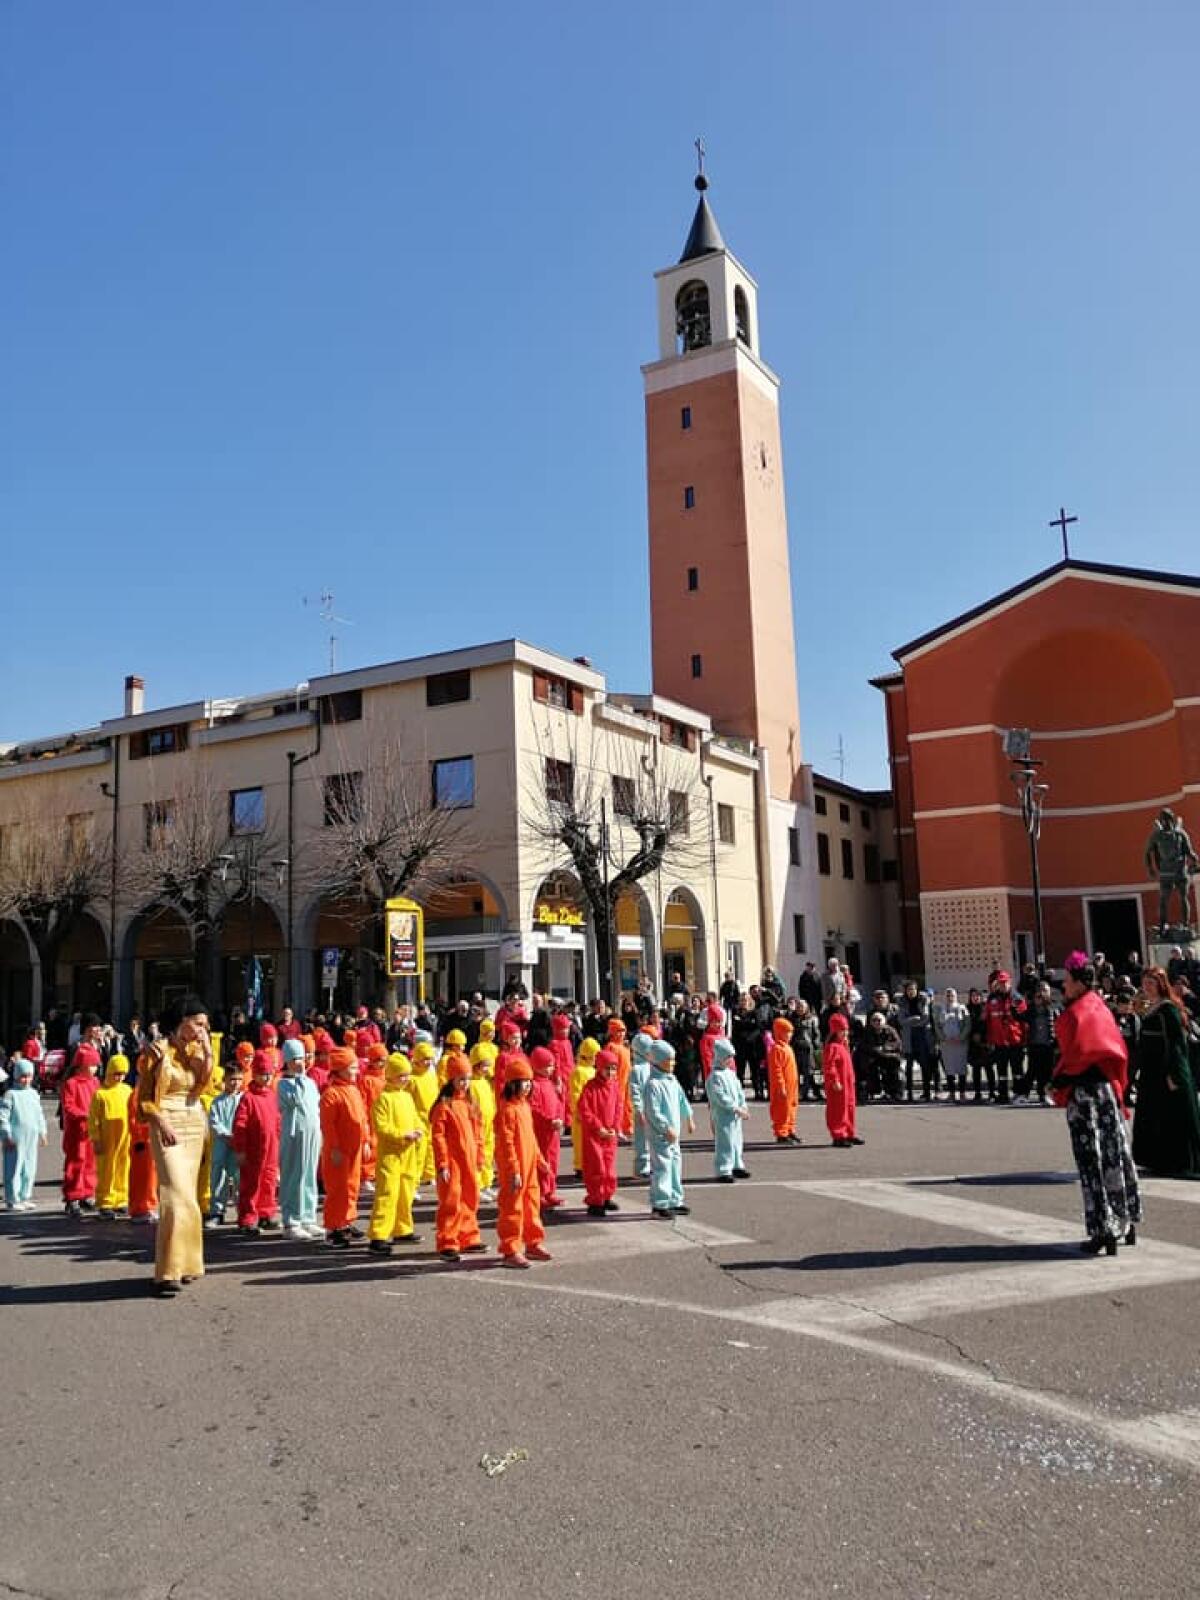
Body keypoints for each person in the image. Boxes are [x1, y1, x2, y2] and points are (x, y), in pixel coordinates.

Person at [1051, 953, 1141, 1255]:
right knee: (1115, 1154)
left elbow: (1081, 1053)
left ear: (1078, 983)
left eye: (1067, 980)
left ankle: (1104, 1230)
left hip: (1086, 1094)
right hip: (1106, 1093)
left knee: (1093, 1160)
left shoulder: (1081, 1010)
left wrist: (1060, 1080)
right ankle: (1126, 1220)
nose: (1063, 985)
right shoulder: (1098, 1006)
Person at [136, 996, 214, 1295]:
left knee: (189, 1196)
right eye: (198, 1023)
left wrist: (207, 1053)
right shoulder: (157, 1051)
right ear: (182, 1020)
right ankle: (168, 1271)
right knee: (174, 1193)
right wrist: (161, 1122)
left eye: (205, 1025)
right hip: (165, 1118)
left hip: (193, 1118)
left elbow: (201, 1086)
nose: (201, 1030)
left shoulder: (195, 1051)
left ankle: (189, 1263)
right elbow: (144, 1097)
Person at [1131, 967, 1200, 1178]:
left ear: (1161, 984)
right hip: (1152, 1072)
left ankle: (1180, 1163)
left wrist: (1174, 1074)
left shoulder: (1168, 1009)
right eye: (1145, 983)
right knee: (1155, 1115)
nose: (1147, 987)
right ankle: (1157, 1160)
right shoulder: (1151, 1007)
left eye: (1151, 983)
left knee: (1173, 1116)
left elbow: (1177, 1044)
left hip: (1167, 1070)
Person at [495, 1056, 552, 1268]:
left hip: (528, 1166)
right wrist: (514, 1170)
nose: (527, 1087)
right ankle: (511, 1249)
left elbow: (531, 1137)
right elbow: (506, 1144)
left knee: (531, 1203)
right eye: (523, 1082)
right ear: (512, 1084)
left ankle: (533, 1241)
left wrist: (539, 1159)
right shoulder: (507, 1110)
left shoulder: (524, 1107)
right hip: (515, 1168)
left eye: (529, 1082)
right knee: (513, 1207)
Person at [367, 1053, 425, 1254]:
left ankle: (402, 1228)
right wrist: (402, 1135)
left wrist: (418, 1131)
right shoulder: (383, 1099)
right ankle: (378, 1235)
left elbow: (416, 1118)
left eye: (407, 1075)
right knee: (387, 1193)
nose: (406, 1079)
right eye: (401, 1076)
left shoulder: (407, 1096)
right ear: (390, 1076)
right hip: (390, 1154)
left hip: (407, 1152)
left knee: (405, 1190)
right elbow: (381, 1127)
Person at [431, 1061, 483, 1262]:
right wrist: (442, 1162)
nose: (465, 1083)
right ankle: (448, 1240)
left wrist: (479, 1155)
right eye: (461, 1079)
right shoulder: (444, 1106)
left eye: (468, 1079)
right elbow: (438, 1137)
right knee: (451, 1200)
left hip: (468, 1159)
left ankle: (468, 1236)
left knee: (470, 1197)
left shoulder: (470, 1104)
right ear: (452, 1080)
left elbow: (478, 1133)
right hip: (452, 1161)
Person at [320, 1046, 369, 1249]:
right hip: (339, 1150)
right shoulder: (331, 1094)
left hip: (355, 1147)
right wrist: (335, 1149)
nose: (356, 1071)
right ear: (340, 1068)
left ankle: (346, 1220)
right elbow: (328, 1126)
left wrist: (366, 1141)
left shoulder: (353, 1090)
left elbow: (362, 1119)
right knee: (337, 1188)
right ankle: (333, 1228)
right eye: (352, 1067)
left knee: (352, 1186)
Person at [643, 1038, 695, 1218]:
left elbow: (682, 1099)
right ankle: (660, 1203)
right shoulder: (652, 1085)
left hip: (674, 1134)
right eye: (668, 1060)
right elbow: (653, 1112)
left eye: (673, 1060)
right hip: (661, 1135)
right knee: (662, 1167)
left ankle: (675, 1199)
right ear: (657, 1060)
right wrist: (665, 1128)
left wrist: (688, 1117)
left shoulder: (672, 1080)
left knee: (675, 1164)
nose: (672, 1063)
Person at [232, 1050, 282, 1235]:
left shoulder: (271, 1095)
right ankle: (247, 1218)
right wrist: (240, 1149)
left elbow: (277, 1121)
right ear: (255, 1074)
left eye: (269, 1074)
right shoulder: (248, 1098)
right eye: (262, 1074)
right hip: (253, 1149)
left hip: (271, 1148)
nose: (267, 1077)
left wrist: (278, 1142)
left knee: (268, 1182)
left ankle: (265, 1214)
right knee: (251, 1184)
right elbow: (240, 1125)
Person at [277, 1038, 323, 1239]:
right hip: (294, 1134)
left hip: (312, 1132)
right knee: (295, 1175)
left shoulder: (311, 1082)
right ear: (287, 1060)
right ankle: (291, 1220)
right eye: (294, 1059)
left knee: (309, 1174)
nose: (300, 1063)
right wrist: (298, 1078)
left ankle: (308, 1216)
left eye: (302, 1058)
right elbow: (295, 1100)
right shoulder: (284, 1084)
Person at [578, 1046, 624, 1216]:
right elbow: (584, 1110)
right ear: (598, 1067)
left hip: (609, 1135)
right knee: (596, 1168)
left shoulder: (615, 1086)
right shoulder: (590, 1087)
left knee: (609, 1169)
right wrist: (598, 1128)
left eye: (613, 1068)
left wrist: (615, 1127)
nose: (611, 1072)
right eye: (607, 1068)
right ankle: (595, 1200)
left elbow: (619, 1107)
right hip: (594, 1136)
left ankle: (606, 1196)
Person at [88, 1053, 133, 1217]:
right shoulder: (100, 1094)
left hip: (125, 1137)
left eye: (123, 1074)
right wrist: (95, 1138)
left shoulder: (127, 1090)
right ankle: (105, 1201)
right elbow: (93, 1119)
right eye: (116, 1073)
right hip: (107, 1139)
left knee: (123, 1167)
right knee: (107, 1170)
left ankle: (121, 1199)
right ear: (109, 1072)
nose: (120, 1077)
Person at [60, 1043, 101, 1216]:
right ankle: (73, 1196)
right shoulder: (71, 1083)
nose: (95, 1069)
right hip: (77, 1131)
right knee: (76, 1162)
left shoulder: (95, 1082)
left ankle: (87, 1193)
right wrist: (85, 1115)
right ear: (82, 1065)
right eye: (92, 1065)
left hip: (90, 1130)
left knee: (91, 1163)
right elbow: (68, 1107)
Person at [1, 1057, 47, 1210]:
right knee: (14, 1168)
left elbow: (39, 1114)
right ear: (16, 1076)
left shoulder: (33, 1094)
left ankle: (24, 1195)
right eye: (23, 1076)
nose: (26, 1080)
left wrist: (43, 1132)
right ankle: (12, 1198)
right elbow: (3, 1116)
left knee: (29, 1167)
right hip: (15, 1138)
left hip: (31, 1137)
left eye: (29, 1076)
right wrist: (6, 1135)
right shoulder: (10, 1094)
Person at [205, 1053, 245, 1228]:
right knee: (218, 1177)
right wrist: (225, 1134)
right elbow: (214, 1121)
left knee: (239, 1178)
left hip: (238, 1144)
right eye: (231, 1079)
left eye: (238, 1079)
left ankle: (242, 1210)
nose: (235, 1083)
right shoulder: (218, 1101)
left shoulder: (244, 1099)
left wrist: (238, 1136)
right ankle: (217, 1211)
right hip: (222, 1144)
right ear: (225, 1080)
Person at [706, 1036, 750, 1182]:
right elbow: (720, 1097)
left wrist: (742, 1105)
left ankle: (737, 1164)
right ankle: (723, 1169)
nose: (729, 1060)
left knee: (737, 1140)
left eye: (731, 1058)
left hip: (735, 1115)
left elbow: (739, 1092)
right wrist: (734, 1107)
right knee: (725, 1141)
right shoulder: (714, 1077)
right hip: (723, 1115)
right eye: (727, 1057)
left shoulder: (731, 1074)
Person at [528, 1045, 566, 1211]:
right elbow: (534, 1109)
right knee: (542, 1162)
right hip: (541, 1131)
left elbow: (558, 1104)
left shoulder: (549, 1083)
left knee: (553, 1161)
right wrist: (549, 1120)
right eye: (548, 1065)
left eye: (552, 1065)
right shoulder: (534, 1085)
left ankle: (550, 1190)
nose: (551, 1069)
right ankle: (541, 1193)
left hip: (553, 1131)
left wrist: (559, 1118)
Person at [823, 1013, 861, 1148]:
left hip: (848, 1083)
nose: (845, 1033)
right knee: (838, 1109)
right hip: (839, 1084)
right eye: (842, 1030)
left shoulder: (843, 1045)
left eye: (846, 1030)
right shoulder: (833, 1047)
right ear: (835, 1031)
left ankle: (849, 1132)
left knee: (849, 1107)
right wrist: (834, 1080)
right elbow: (829, 1066)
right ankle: (838, 1135)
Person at [569, 1036, 600, 1179]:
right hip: (581, 1115)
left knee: (590, 1141)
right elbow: (575, 1093)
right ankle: (580, 1167)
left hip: (592, 1113)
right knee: (580, 1140)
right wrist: (579, 1111)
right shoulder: (579, 1071)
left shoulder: (593, 1071)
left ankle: (588, 1164)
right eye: (594, 1056)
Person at [933, 990, 970, 1103]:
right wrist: (943, 1038)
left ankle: (962, 1093)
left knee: (961, 1068)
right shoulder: (940, 1009)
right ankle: (952, 1093)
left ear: (956, 996)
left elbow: (967, 1024)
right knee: (949, 1069)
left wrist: (961, 1037)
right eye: (948, 995)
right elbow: (937, 1025)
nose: (950, 997)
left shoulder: (962, 1008)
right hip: (946, 1043)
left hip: (960, 1043)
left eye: (952, 995)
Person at [767, 1016, 800, 1144]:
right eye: (787, 1032)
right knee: (782, 1109)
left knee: (791, 1108)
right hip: (783, 1086)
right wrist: (780, 1086)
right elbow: (776, 1071)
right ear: (780, 1032)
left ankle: (790, 1130)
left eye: (791, 1032)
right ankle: (781, 1133)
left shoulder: (787, 1047)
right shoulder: (777, 1049)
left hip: (792, 1085)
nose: (790, 1035)